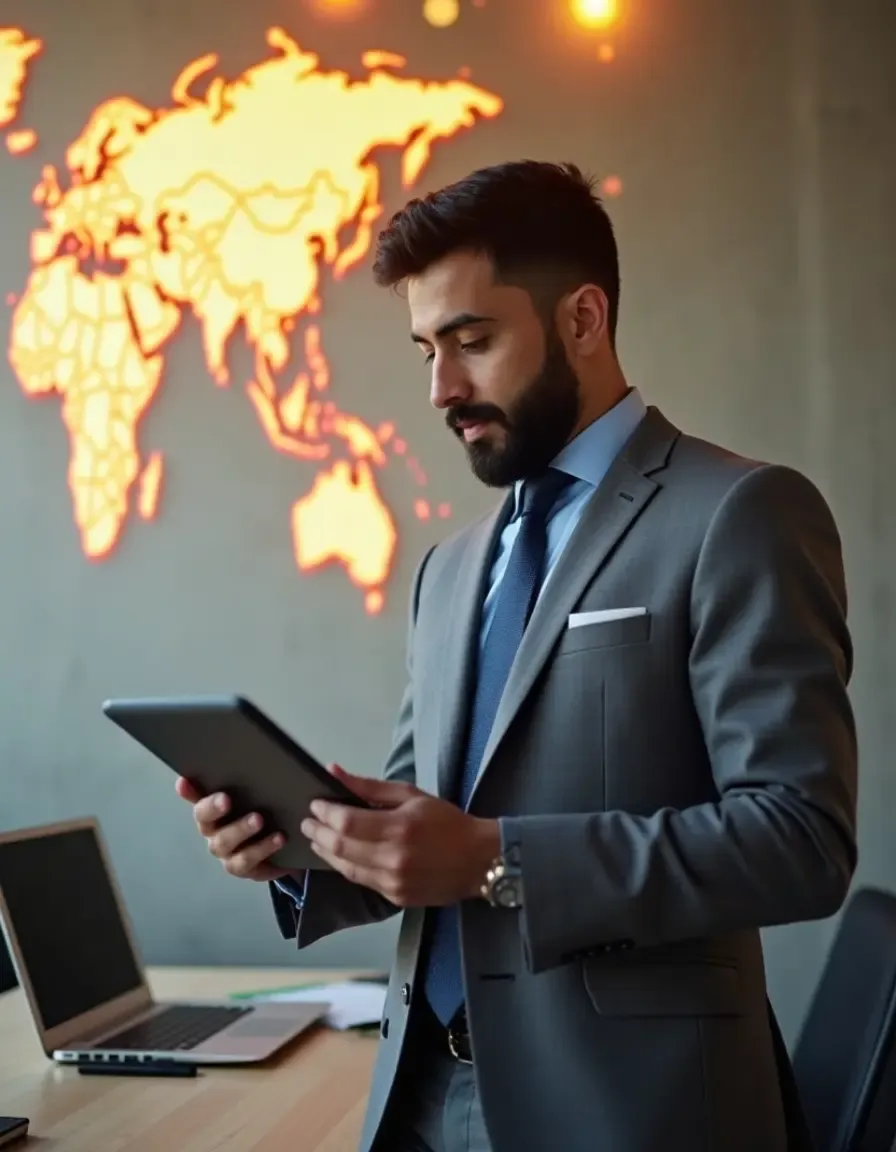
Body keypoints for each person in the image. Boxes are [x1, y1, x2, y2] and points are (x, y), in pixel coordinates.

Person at [177, 160, 858, 1152]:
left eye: (471, 340)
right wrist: (297, 849)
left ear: (581, 321)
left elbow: (798, 842)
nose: (439, 388)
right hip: (415, 1097)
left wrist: (496, 861)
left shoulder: (739, 514)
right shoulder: (450, 571)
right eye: (425, 349)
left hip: (629, 1114)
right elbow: (424, 827)